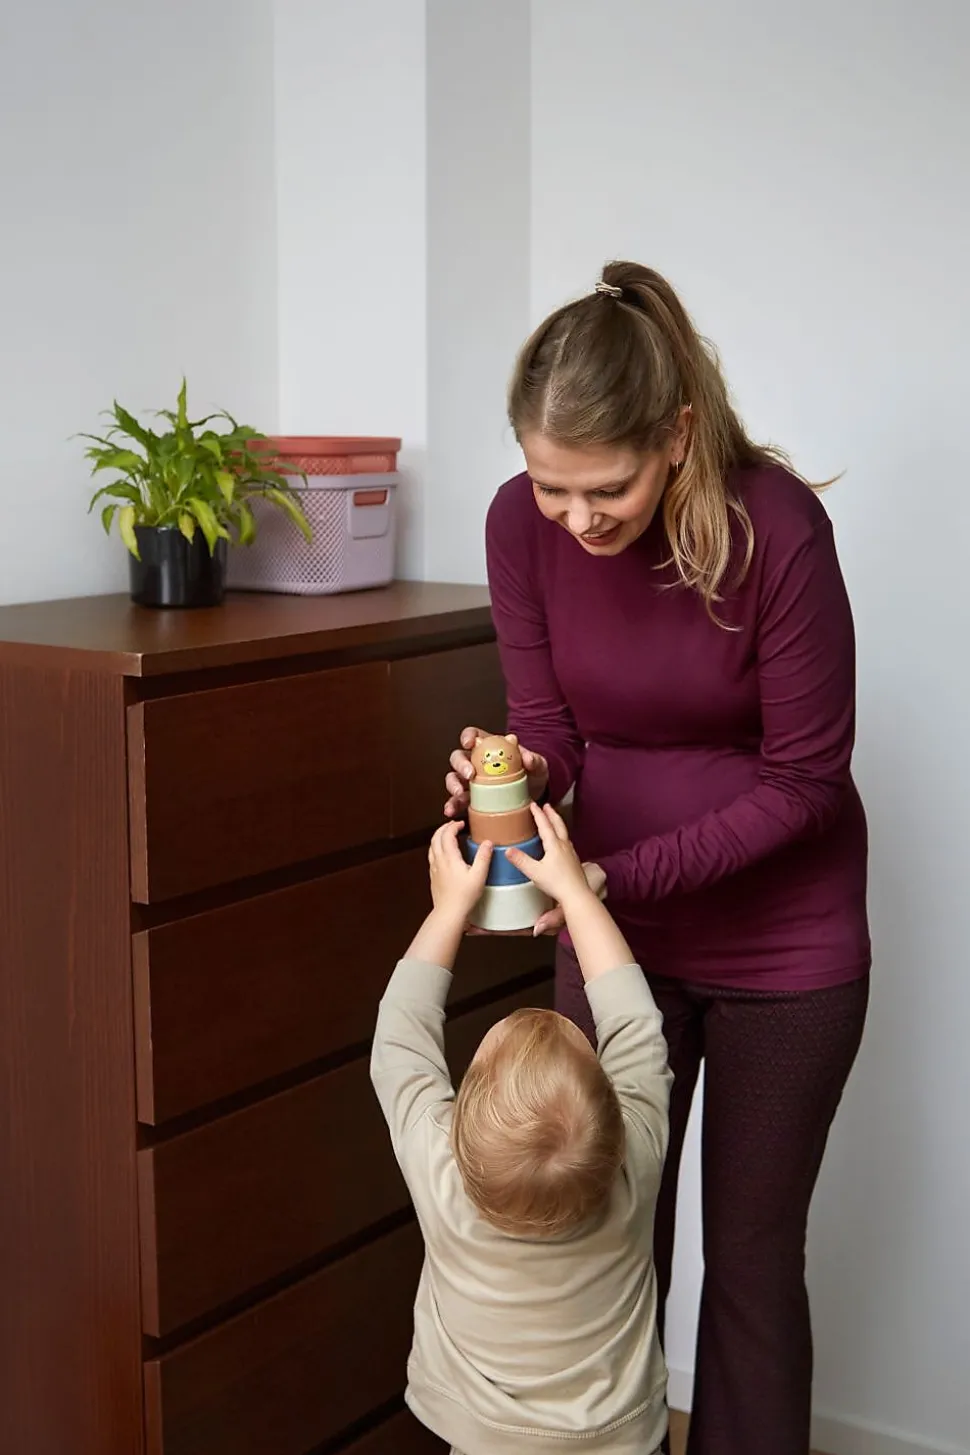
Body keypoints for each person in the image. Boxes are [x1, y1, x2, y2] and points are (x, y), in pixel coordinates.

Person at [444, 262, 870, 1455]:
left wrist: (607, 884)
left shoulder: (775, 527)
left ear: (675, 438)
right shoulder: (516, 527)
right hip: (612, 938)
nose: (577, 519)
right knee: (602, 1241)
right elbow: (555, 735)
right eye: (550, 486)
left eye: (607, 489)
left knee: (749, 1260)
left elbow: (806, 784)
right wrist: (509, 783)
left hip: (784, 948)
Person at [370, 803, 672, 1455]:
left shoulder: (443, 1172)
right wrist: (576, 895)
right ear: (614, 1114)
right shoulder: (634, 1164)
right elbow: (634, 1023)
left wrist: (448, 910)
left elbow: (401, 1037)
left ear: (459, 1122)